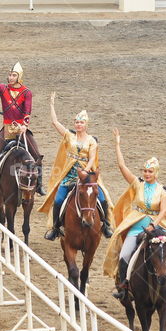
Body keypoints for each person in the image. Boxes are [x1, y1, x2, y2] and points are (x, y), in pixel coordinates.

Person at [103, 129, 166, 300]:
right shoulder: (137, 184)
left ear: (156, 173)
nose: (146, 174)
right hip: (137, 225)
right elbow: (122, 167)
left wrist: (153, 225)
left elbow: (163, 211)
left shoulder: (162, 191)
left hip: (159, 227)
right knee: (124, 255)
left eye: (150, 172)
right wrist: (117, 144)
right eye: (145, 171)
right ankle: (124, 287)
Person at [38, 94, 112, 241]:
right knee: (58, 201)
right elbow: (55, 122)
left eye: (81, 123)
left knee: (103, 199)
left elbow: (92, 158)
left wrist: (85, 171)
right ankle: (55, 228)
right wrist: (52, 104)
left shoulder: (91, 141)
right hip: (70, 175)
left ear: (86, 125)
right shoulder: (69, 136)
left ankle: (106, 224)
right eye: (77, 122)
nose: (78, 125)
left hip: (86, 175)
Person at [0, 54, 44, 197]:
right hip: (7, 129)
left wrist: (25, 126)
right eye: (9, 75)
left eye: (14, 75)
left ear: (19, 76)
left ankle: (39, 183)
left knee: (37, 155)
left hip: (21, 129)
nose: (10, 78)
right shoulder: (3, 89)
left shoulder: (27, 92)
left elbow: (27, 110)